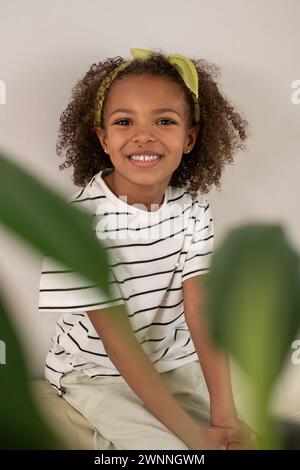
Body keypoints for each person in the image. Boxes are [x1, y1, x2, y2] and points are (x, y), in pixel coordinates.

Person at [38, 47, 256, 450]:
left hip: (173, 361)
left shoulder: (193, 210)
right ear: (103, 138)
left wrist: (225, 416)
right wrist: (193, 435)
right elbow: (117, 340)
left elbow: (201, 310)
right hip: (96, 372)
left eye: (165, 120)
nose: (144, 135)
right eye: (124, 121)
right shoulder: (73, 226)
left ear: (189, 139)